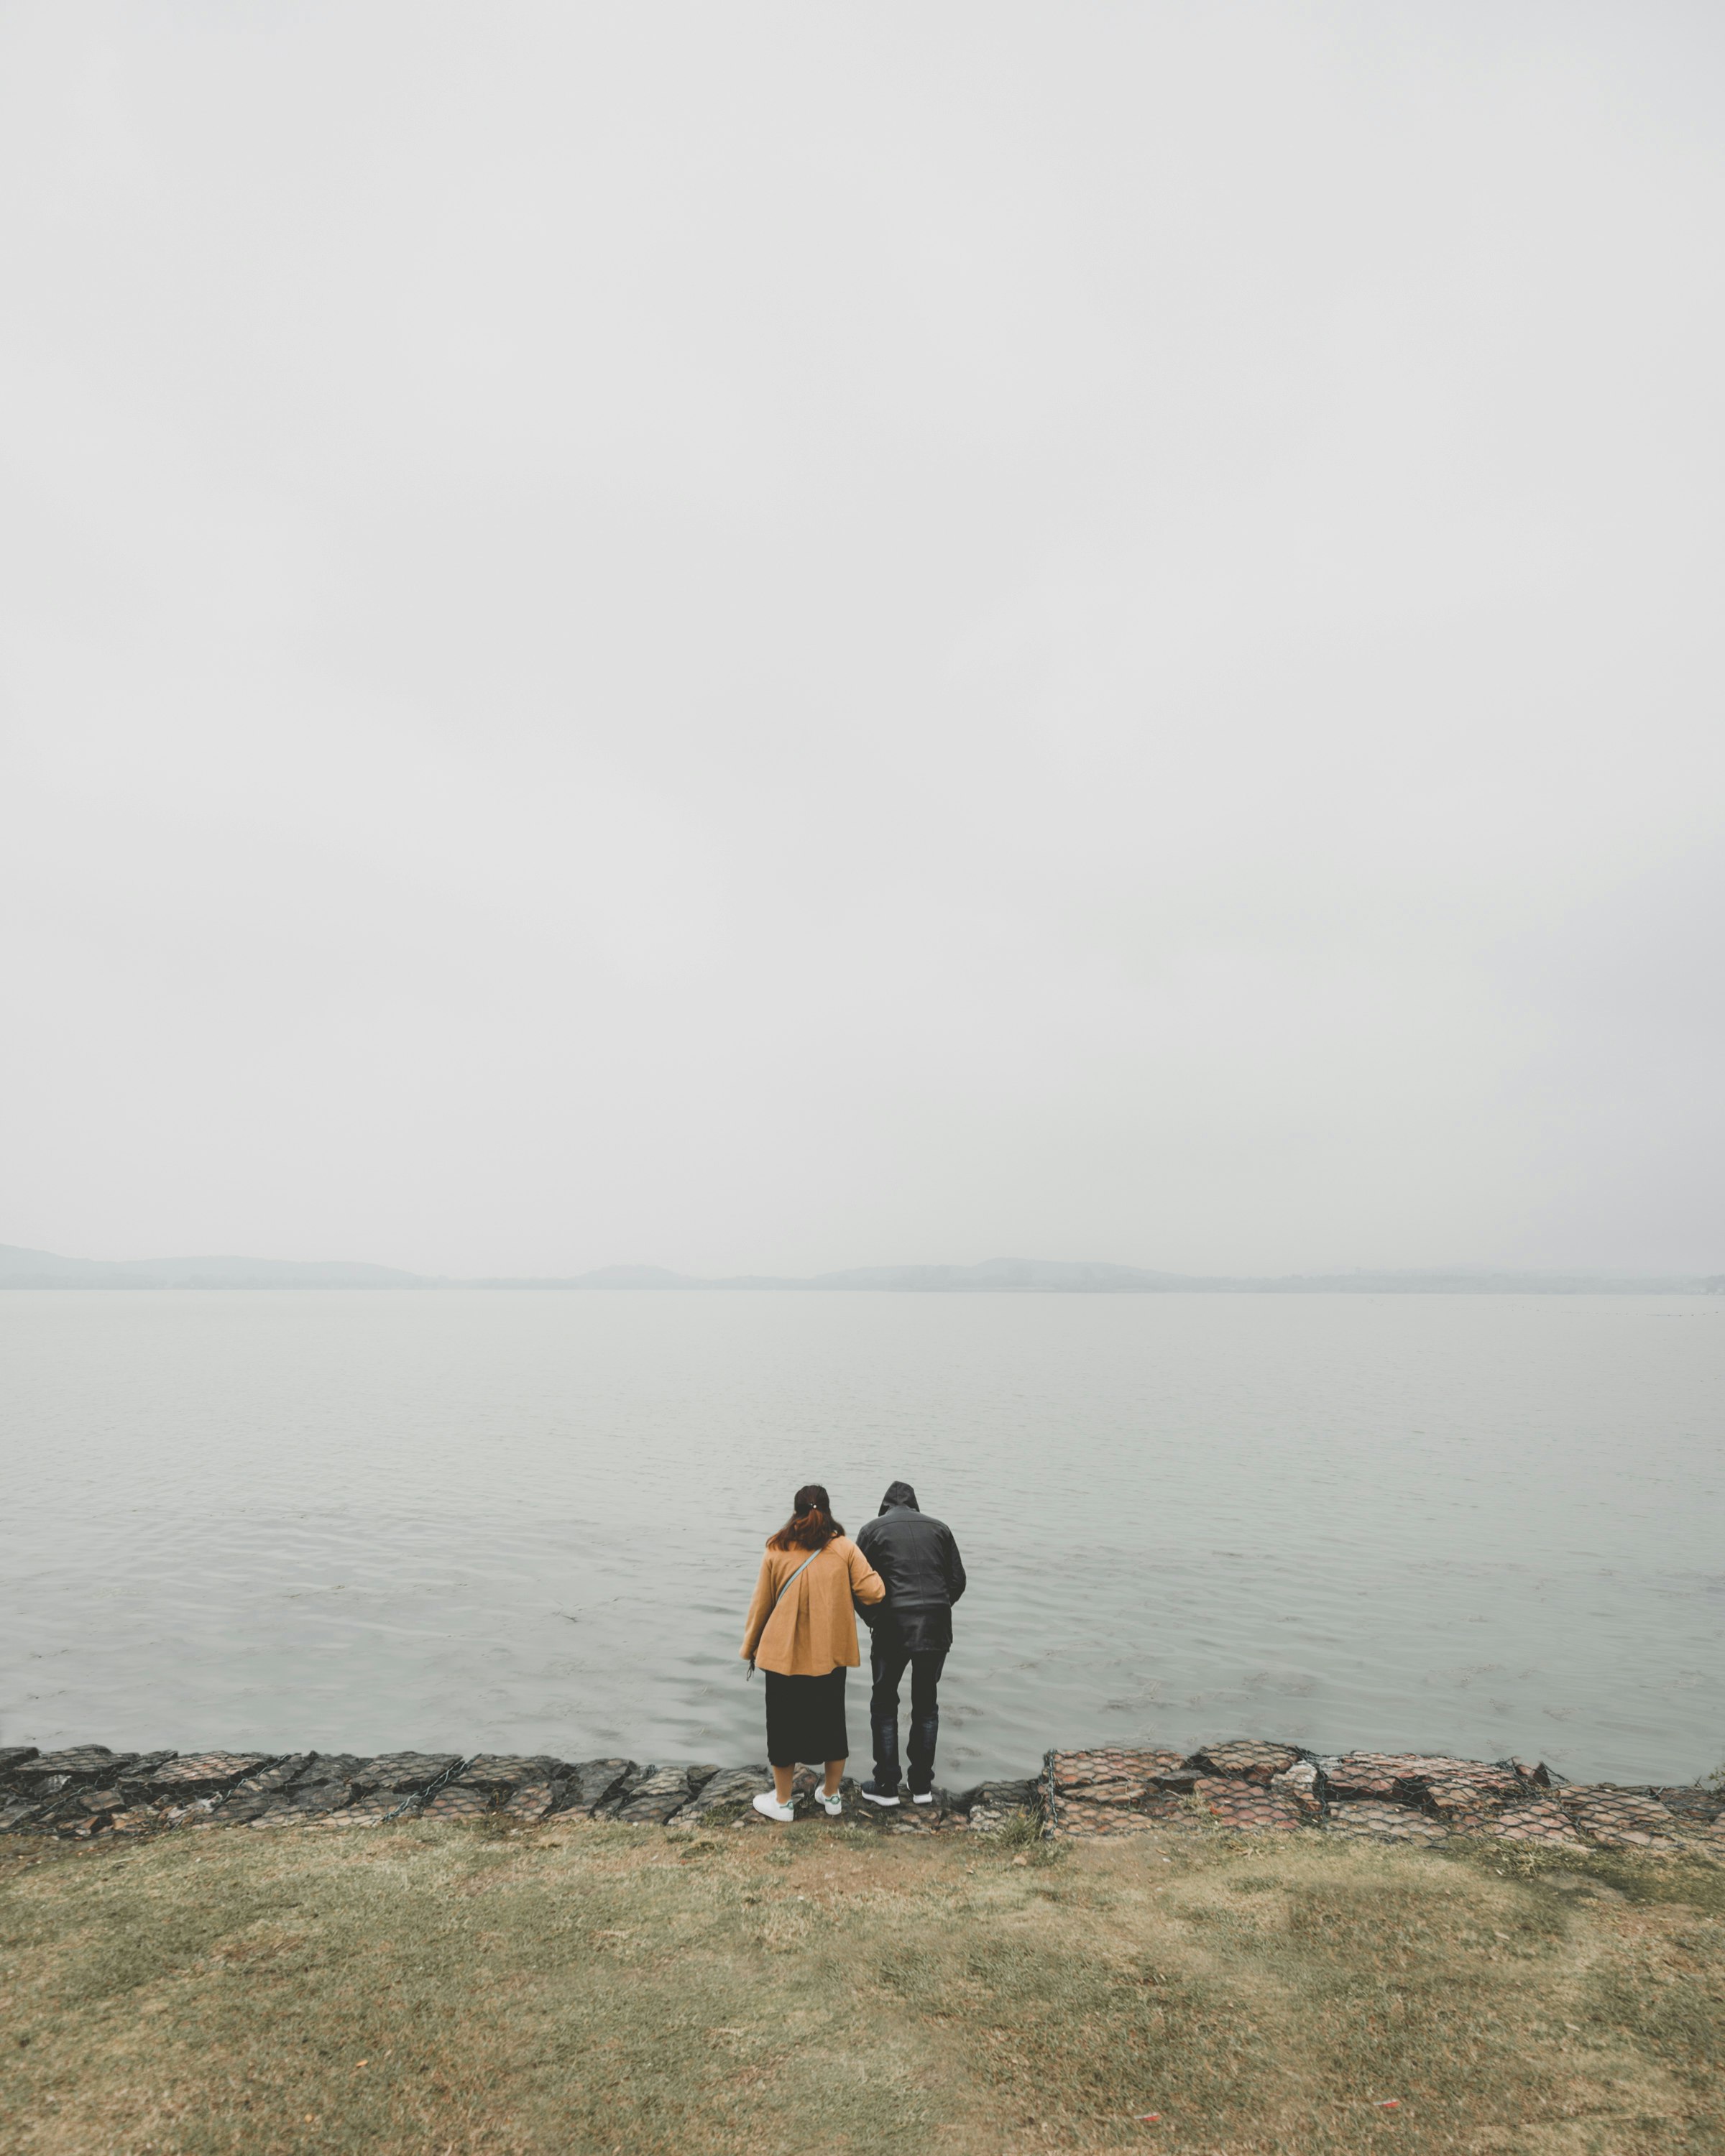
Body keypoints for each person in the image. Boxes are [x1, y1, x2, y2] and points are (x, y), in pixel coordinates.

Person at [740, 1483, 884, 1822]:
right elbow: (874, 1592)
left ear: (795, 1512)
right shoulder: (845, 1548)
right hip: (828, 1657)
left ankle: (783, 1802)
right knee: (832, 1723)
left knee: (781, 1727)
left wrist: (750, 1648)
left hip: (781, 1657)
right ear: (828, 1511)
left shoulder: (775, 1549)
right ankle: (831, 1796)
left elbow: (761, 1606)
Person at [854, 1480, 966, 1807]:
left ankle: (887, 1784)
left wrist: (874, 1618)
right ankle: (921, 1788)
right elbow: (957, 1581)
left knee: (885, 1703)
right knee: (926, 1705)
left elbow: (856, 1583)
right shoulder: (940, 1529)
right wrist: (937, 1608)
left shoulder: (872, 1530)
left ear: (885, 1507)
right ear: (915, 1506)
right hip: (935, 1627)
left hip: (892, 1626)